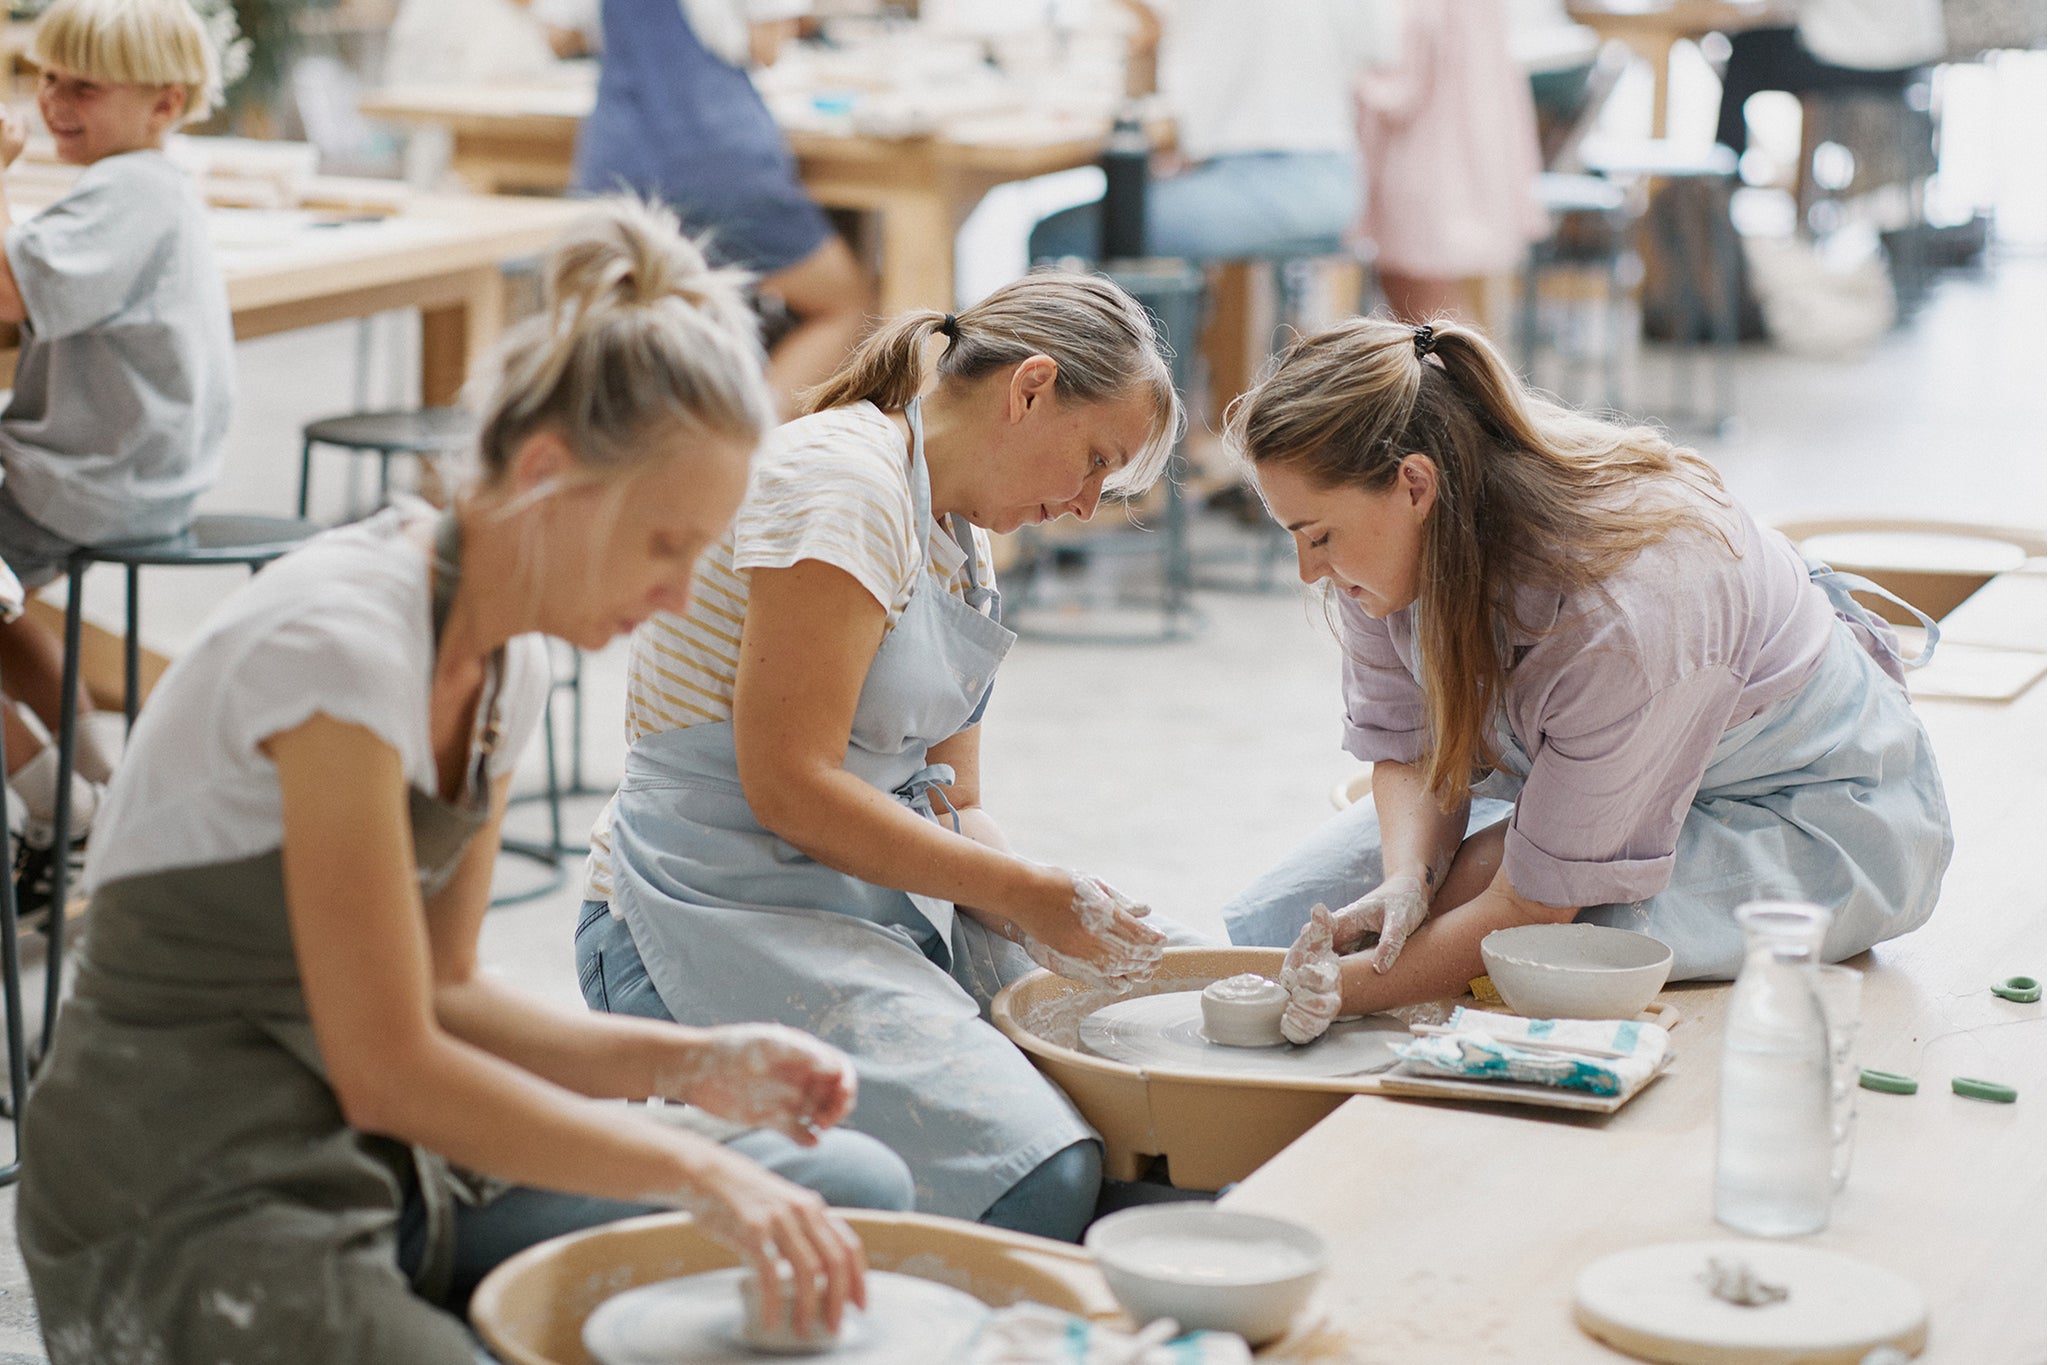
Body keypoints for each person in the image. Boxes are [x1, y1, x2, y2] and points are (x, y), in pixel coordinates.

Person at [17, 198, 915, 1364]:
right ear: (545, 473)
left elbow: (448, 994)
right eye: (664, 543)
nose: (682, 594)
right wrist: (691, 1161)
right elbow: (392, 1067)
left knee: (849, 1184)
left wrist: (694, 1066)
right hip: (191, 1188)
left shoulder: (513, 665)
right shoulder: (337, 645)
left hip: (379, 1160)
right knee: (731, 1211)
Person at [575, 270, 1186, 1243]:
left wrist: (1067, 914)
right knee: (1033, 1177)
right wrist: (1024, 893)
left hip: (849, 892)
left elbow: (957, 798)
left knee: (1144, 1092)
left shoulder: (962, 533)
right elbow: (790, 789)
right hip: (707, 901)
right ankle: (667, 1212)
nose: (1081, 505)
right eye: (1091, 461)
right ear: (1028, 390)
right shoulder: (843, 484)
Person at [1217, 317, 1952, 1043]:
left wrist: (1344, 994)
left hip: (1802, 805)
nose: (1308, 570)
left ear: (1414, 483)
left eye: (1318, 537)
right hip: (1614, 761)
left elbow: (1528, 909)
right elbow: (1414, 749)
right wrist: (1408, 875)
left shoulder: (1620, 614)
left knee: (1509, 968)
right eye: (1296, 535)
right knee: (1290, 919)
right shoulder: (1390, 552)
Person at [0, 0, 234, 901]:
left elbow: (10, 289)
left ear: (164, 106)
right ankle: (101, 781)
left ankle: (55, 801)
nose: (54, 100)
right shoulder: (147, 181)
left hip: (91, 479)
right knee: (6, 603)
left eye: (83, 86)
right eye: (46, 76)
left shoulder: (129, 187)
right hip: (124, 474)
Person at [573, 0, 871, 415]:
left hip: (613, 161)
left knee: (630, 320)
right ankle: (750, 445)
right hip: (711, 154)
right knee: (845, 305)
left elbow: (562, 33)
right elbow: (767, 44)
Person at [1029, 0, 1397, 265]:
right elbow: (1382, 48)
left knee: (1057, 236)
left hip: (1267, 180)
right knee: (1144, 216)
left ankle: (1137, 369)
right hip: (1337, 179)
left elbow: (1144, 22)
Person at [1352, 0, 1547, 324]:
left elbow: (1402, 83)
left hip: (1429, 153)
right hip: (1467, 142)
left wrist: (1352, 78)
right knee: (1427, 300)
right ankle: (1470, 372)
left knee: (1423, 302)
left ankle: (1466, 375)